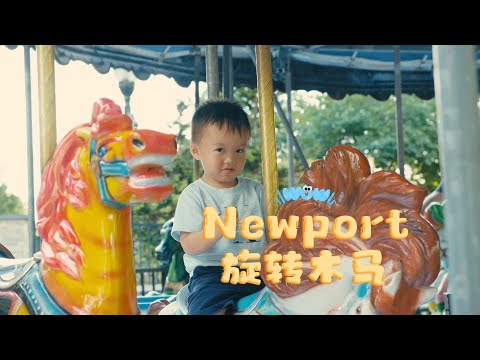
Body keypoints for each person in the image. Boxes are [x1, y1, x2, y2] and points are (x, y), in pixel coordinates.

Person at [171, 99, 267, 315]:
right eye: (220, 149)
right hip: (214, 273)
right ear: (196, 151)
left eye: (239, 150)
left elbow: (273, 231)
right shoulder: (194, 194)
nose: (230, 159)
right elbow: (189, 245)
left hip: (256, 269)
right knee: (209, 305)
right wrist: (217, 228)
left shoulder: (256, 190)